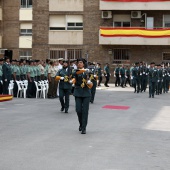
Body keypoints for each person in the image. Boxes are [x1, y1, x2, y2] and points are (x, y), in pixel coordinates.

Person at [73, 58, 92, 134]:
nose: (79, 64)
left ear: (83, 64)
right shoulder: (75, 71)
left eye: (81, 62)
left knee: (85, 111)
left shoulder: (88, 72)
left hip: (86, 93)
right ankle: (81, 123)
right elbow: (74, 76)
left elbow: (92, 81)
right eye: (78, 63)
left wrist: (89, 80)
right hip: (78, 92)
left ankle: (84, 127)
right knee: (78, 110)